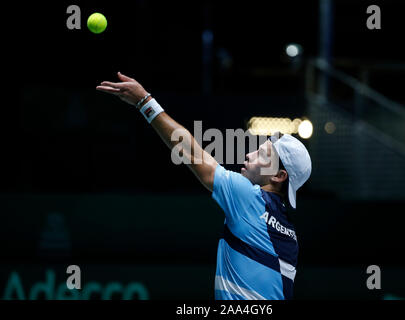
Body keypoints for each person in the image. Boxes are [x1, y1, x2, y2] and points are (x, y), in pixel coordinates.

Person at [96, 72, 312, 300]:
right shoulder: (290, 237)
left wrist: (144, 102)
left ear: (278, 175)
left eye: (262, 155)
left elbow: (190, 152)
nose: (249, 155)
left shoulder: (249, 197)